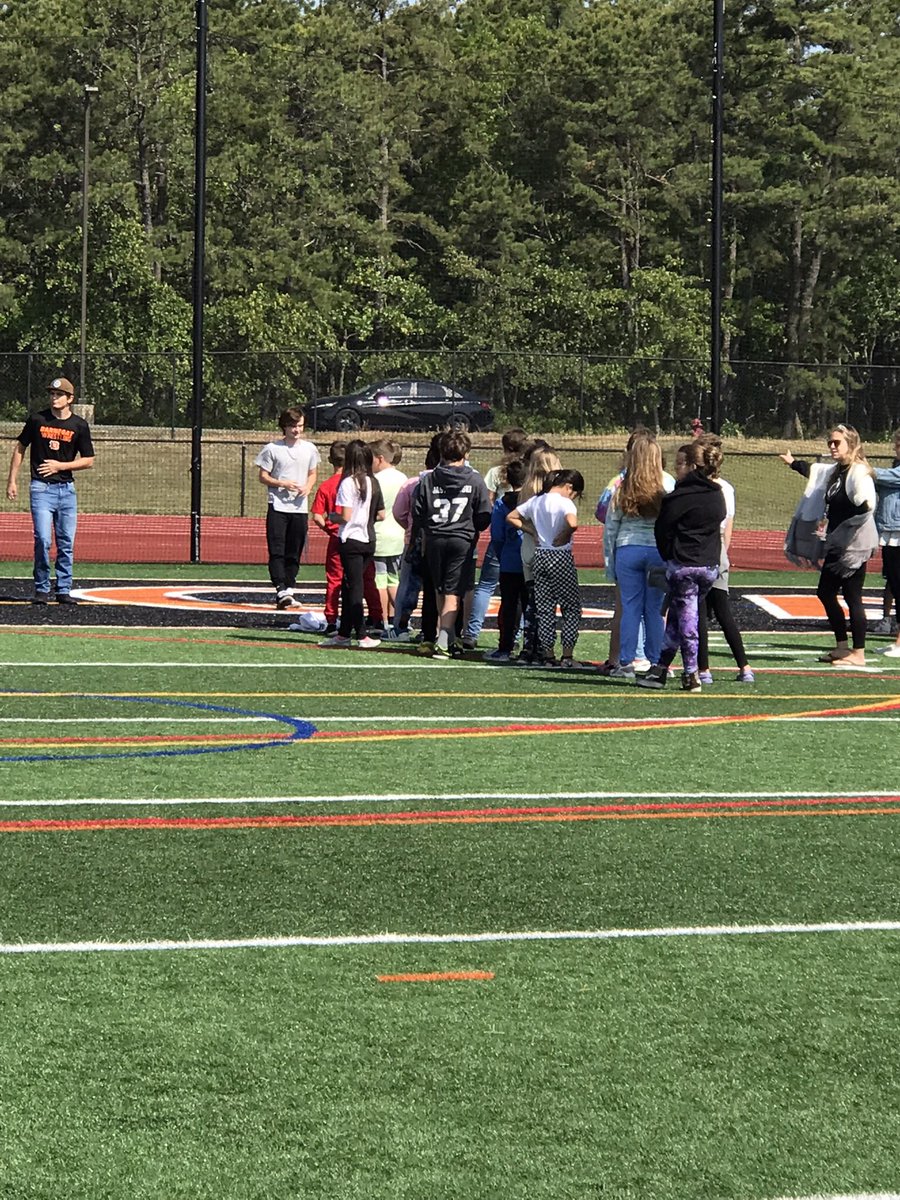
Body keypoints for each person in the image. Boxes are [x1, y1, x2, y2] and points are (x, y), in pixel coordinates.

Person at [783, 426, 877, 668]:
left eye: (837, 442)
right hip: (839, 543)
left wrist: (848, 524)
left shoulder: (858, 473)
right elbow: (814, 472)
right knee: (826, 592)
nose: (832, 446)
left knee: (852, 596)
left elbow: (867, 504)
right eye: (830, 443)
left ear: (851, 444)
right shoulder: (837, 471)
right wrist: (793, 463)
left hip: (854, 546)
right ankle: (842, 647)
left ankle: (858, 653)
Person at [638, 439, 726, 693]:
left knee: (687, 621)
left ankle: (691, 674)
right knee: (677, 619)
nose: (677, 469)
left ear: (690, 465)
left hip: (684, 565)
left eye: (680, 464)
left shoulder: (679, 496)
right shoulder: (716, 493)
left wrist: (670, 556)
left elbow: (662, 530)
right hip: (709, 565)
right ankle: (660, 669)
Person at [6, 376, 95, 605]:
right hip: (41, 489)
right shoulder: (37, 419)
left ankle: (63, 588)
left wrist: (61, 466)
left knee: (66, 541)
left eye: (59, 395)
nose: (54, 398)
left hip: (66, 490)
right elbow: (20, 447)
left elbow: (88, 460)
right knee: (43, 539)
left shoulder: (79, 425)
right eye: (52, 394)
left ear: (70, 399)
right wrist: (12, 480)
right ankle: (42, 588)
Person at [413, 430, 492, 659]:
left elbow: (418, 512)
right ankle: (446, 639)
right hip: (461, 539)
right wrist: (472, 526)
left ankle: (444, 634)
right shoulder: (474, 479)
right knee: (452, 591)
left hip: (435, 537)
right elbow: (484, 514)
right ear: (466, 453)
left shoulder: (428, 479)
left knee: (441, 589)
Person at [602, 436, 674, 680]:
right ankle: (657, 663)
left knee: (630, 608)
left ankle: (625, 664)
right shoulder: (668, 482)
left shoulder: (623, 484)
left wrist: (609, 563)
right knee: (654, 610)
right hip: (657, 551)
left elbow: (610, 527)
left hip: (627, 549)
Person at [506, 468, 585, 669]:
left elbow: (512, 517)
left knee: (544, 607)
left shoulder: (537, 500)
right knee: (571, 607)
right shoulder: (565, 503)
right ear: (569, 487)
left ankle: (548, 655)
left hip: (540, 555)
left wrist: (531, 530)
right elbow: (572, 523)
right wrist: (565, 534)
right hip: (560, 556)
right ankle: (567, 655)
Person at [692, 435, 754, 684]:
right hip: (717, 550)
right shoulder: (726, 488)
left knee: (700, 611)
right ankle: (744, 666)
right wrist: (722, 555)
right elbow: (728, 528)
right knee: (723, 610)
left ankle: (704, 669)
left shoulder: (698, 487)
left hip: (700, 548)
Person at [463, 426, 529, 649]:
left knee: (486, 586)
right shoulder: (529, 474)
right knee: (521, 592)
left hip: (501, 536)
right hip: (523, 540)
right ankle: (516, 636)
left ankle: (472, 632)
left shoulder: (495, 472)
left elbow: (488, 501)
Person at [319, 440, 384, 649]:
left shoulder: (347, 482)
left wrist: (332, 516)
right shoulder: (373, 482)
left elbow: (345, 516)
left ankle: (362, 633)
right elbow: (381, 514)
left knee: (354, 587)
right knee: (349, 586)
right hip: (368, 539)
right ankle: (344, 632)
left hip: (351, 540)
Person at [255, 407, 320, 609]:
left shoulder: (309, 448)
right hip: (278, 506)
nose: (297, 430)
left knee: (295, 550)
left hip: (299, 509)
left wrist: (308, 487)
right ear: (284, 426)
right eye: (293, 426)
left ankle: (290, 587)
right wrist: (282, 484)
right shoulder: (272, 449)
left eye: (300, 425)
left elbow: (313, 473)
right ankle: (280, 588)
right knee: (277, 550)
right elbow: (262, 476)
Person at [484, 457, 527, 663]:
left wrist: (502, 554)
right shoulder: (534, 500)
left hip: (510, 560)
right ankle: (531, 647)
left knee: (509, 604)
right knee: (531, 604)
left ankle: (505, 647)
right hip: (529, 559)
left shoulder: (503, 503)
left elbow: (497, 536)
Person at [369, 439, 408, 634]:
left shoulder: (376, 480)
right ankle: (399, 619)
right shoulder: (403, 478)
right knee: (394, 579)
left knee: (380, 581)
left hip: (379, 535)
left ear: (380, 459)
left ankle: (383, 621)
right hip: (398, 536)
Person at [310, 440, 348, 635]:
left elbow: (317, 515)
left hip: (336, 537)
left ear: (330, 460)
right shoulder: (357, 483)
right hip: (357, 537)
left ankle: (332, 619)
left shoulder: (326, 486)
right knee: (363, 579)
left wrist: (329, 529)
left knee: (334, 580)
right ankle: (375, 617)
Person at [872, 429, 900, 658]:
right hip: (889, 530)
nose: (896, 448)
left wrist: (865, 469)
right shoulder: (893, 469)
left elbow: (886, 477)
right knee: (892, 580)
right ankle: (897, 641)